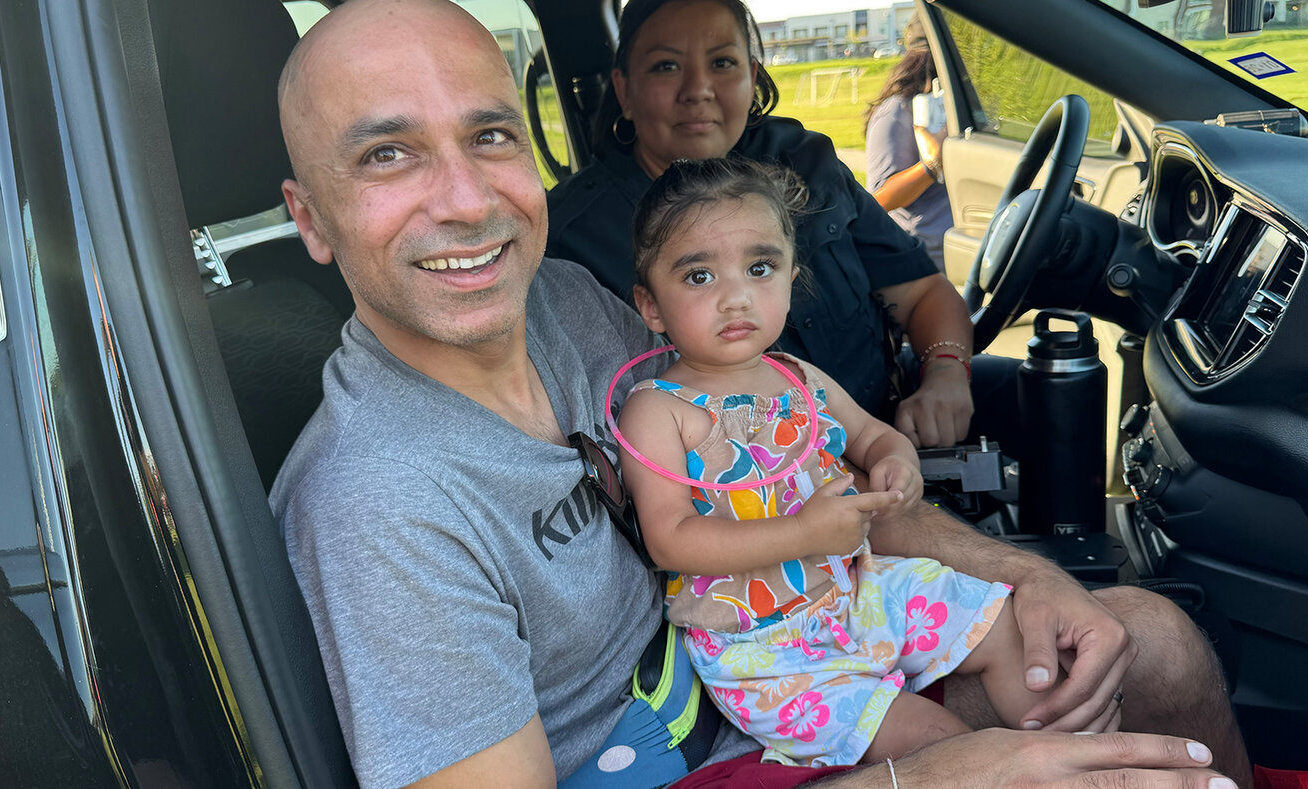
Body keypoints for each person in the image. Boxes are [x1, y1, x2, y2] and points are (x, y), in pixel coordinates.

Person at [270, 0, 1247, 786]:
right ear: (309, 220)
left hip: (795, 653)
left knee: (1148, 642)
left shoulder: (569, 304)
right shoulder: (376, 504)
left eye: (489, 136)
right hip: (708, 747)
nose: (467, 199)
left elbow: (800, 476)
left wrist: (1023, 578)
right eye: (387, 154)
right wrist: (948, 776)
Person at [618, 157, 1079, 768]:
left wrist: (897, 463)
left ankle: (1069, 756)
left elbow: (872, 437)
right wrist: (803, 532)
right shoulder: (660, 411)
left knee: (1008, 628)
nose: (735, 297)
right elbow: (672, 540)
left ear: (790, 276)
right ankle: (1023, 772)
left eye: (760, 269)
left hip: (857, 592)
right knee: (941, 745)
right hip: (765, 650)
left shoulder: (798, 378)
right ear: (651, 308)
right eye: (699, 277)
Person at [546, 0, 989, 450]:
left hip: (888, 436)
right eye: (666, 66)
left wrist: (947, 374)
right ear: (624, 91)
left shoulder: (806, 163)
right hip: (741, 493)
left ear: (752, 77)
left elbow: (922, 292)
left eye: (722, 62)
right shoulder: (571, 237)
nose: (698, 89)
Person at [865, 20, 953, 273]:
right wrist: (930, 166)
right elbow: (880, 199)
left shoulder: (958, 103)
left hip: (966, 250)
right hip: (927, 264)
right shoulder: (896, 112)